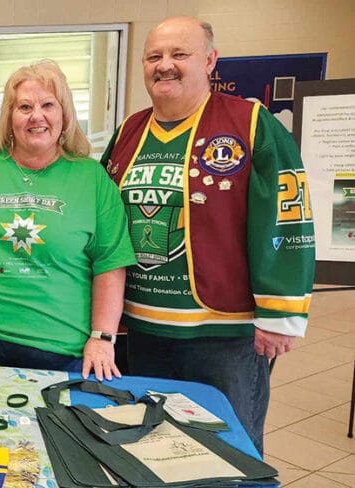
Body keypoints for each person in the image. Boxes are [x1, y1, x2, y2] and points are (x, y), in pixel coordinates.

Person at [100, 17, 314, 453]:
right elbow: (103, 221)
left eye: (180, 54)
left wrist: (280, 312)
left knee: (228, 449)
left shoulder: (249, 122)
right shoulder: (128, 132)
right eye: (154, 56)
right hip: (141, 329)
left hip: (223, 333)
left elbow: (287, 215)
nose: (165, 65)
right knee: (152, 445)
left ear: (210, 60)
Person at [0, 61, 135, 381]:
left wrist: (102, 337)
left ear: (64, 115)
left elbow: (111, 262)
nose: (37, 116)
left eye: (48, 105)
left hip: (58, 347)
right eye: (24, 107)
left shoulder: (92, 178)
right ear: (9, 118)